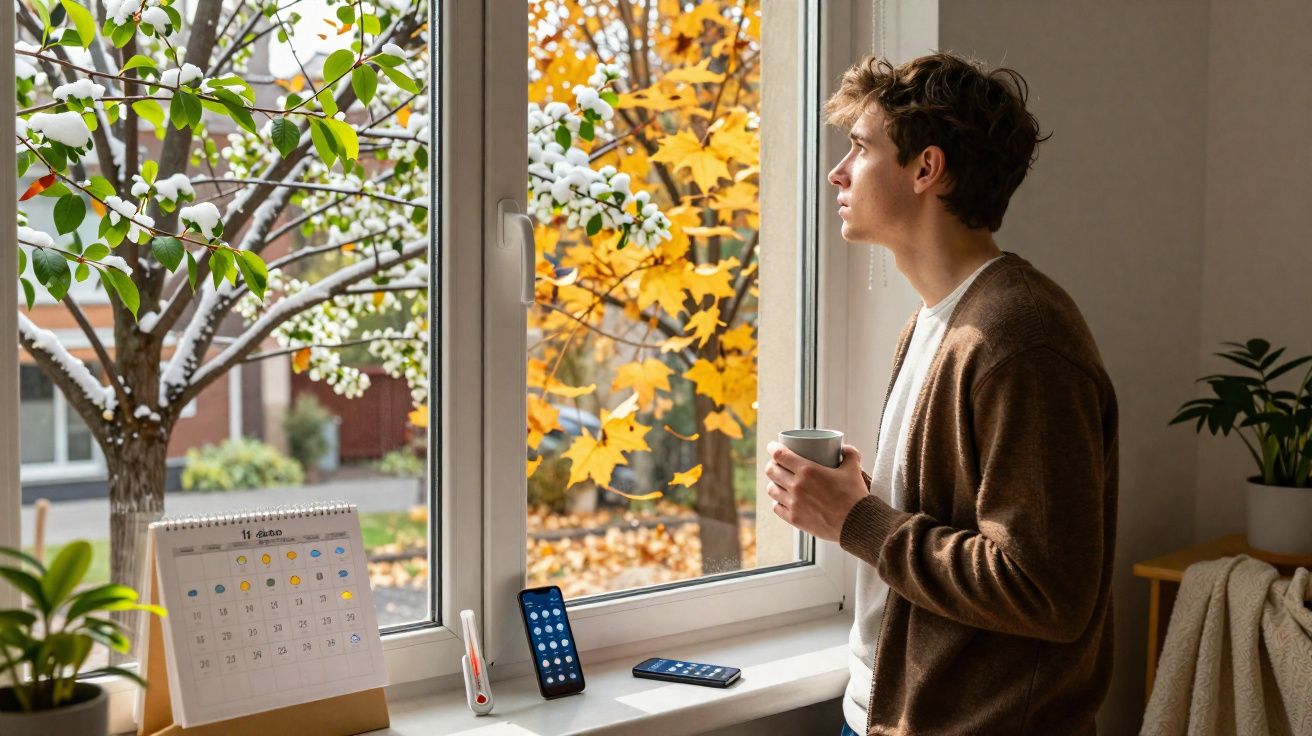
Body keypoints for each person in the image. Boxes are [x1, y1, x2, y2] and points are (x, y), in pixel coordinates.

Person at [762, 53, 1118, 735]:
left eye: (861, 148)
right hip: (882, 713)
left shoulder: (1022, 337)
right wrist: (858, 498)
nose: (838, 172)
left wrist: (858, 520)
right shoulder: (936, 321)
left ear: (926, 168)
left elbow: (1045, 590)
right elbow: (958, 522)